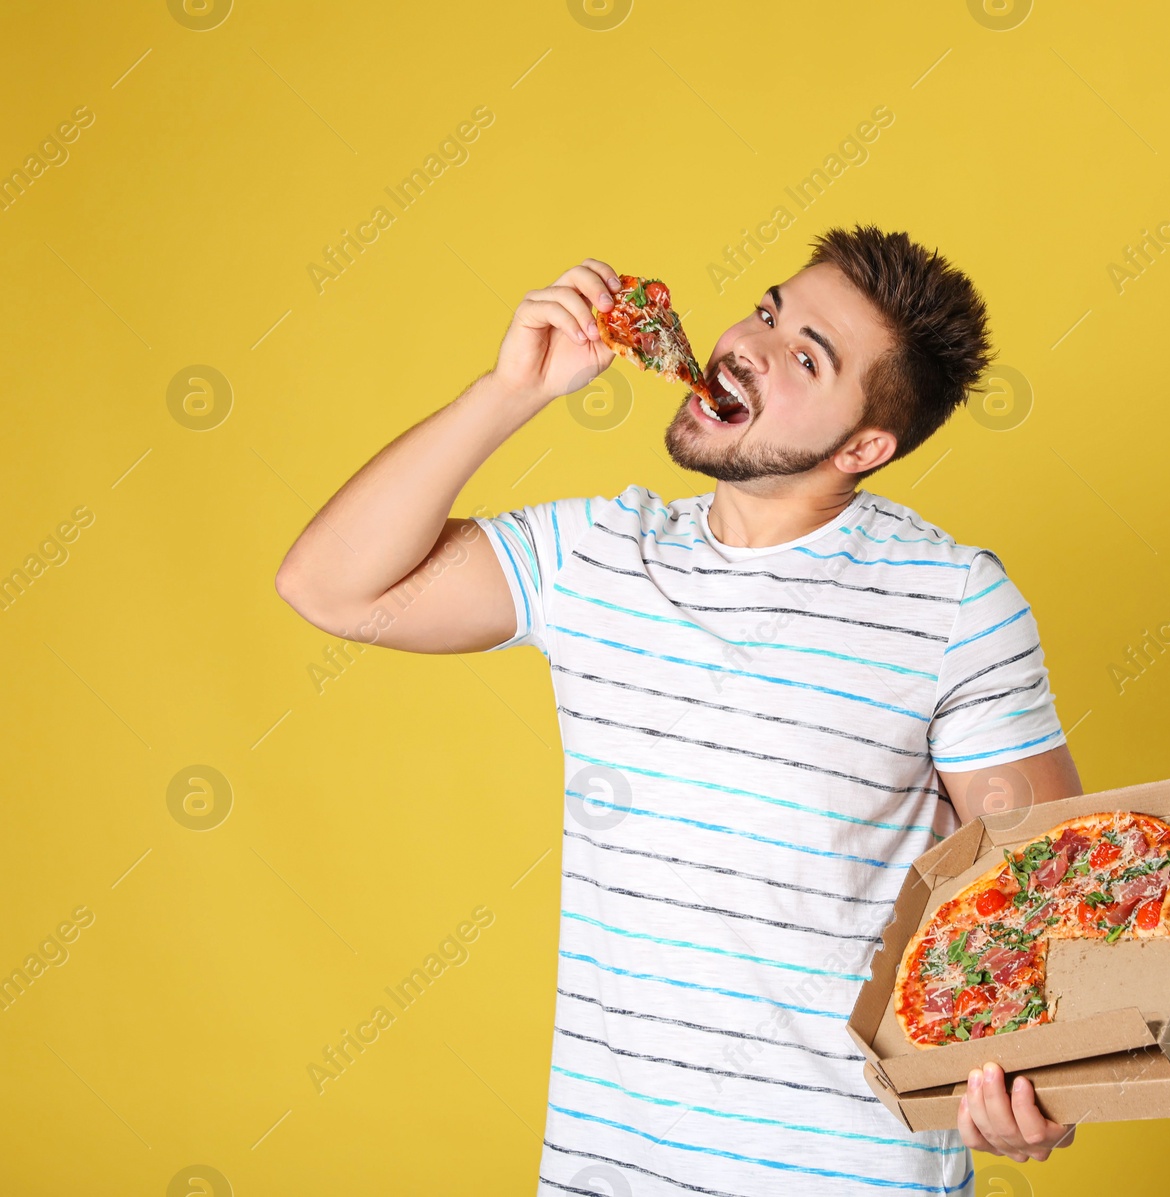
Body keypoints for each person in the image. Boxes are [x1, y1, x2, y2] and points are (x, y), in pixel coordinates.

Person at [276, 225, 1085, 1195]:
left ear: (864, 444)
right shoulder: (600, 554)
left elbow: (1042, 907)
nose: (746, 342)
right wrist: (511, 393)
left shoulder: (952, 602)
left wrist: (1033, 1094)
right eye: (769, 310)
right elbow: (330, 586)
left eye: (804, 357)